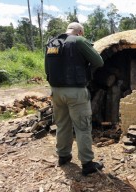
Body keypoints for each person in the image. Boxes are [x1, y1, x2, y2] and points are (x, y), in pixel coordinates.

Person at [44, 22, 104, 176]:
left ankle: (63, 156)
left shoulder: (52, 43)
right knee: (82, 127)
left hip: (56, 91)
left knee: (62, 124)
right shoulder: (78, 40)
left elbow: (47, 69)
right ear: (80, 32)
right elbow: (99, 61)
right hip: (76, 92)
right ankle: (87, 163)